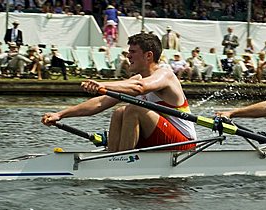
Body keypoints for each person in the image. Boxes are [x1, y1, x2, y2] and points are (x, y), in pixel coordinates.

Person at [41, 32, 197, 152]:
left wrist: (102, 84)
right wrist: (60, 114)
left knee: (133, 109)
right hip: (160, 139)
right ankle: (112, 155)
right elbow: (100, 103)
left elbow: (139, 87)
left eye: (133, 52)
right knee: (119, 112)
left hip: (183, 144)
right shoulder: (136, 79)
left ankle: (121, 161)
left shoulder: (165, 74)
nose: (128, 56)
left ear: (148, 55)